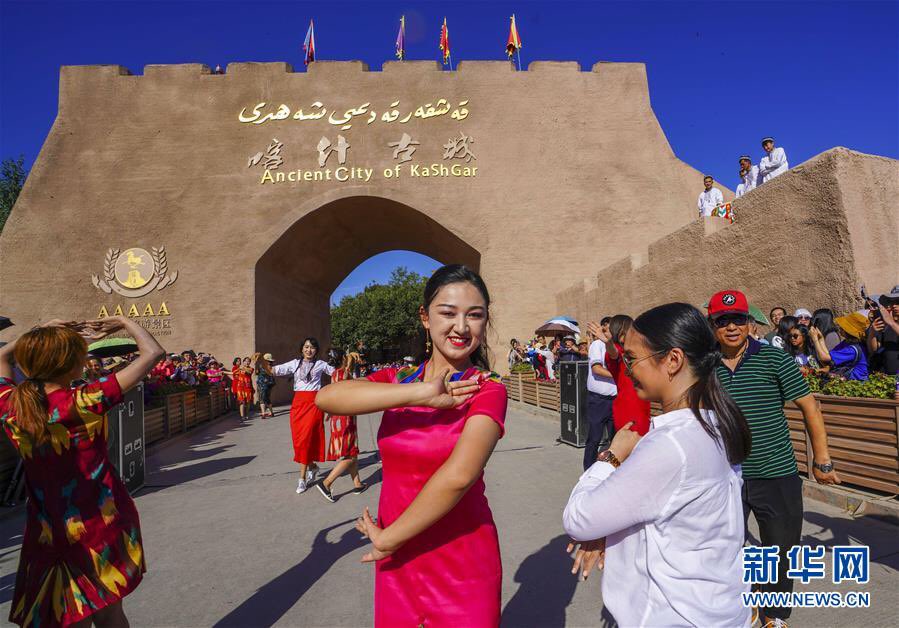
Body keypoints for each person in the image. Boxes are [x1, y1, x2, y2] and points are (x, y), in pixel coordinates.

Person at [316, 264, 507, 628]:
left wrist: (390, 538)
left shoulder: (488, 388)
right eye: (448, 313)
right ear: (425, 317)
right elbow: (327, 398)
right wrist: (422, 393)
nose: (461, 327)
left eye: (474, 315)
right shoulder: (400, 379)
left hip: (460, 560)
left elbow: (460, 475)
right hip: (397, 561)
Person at [563, 303, 751, 627]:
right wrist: (607, 532)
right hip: (717, 610)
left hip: (674, 616)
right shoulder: (715, 426)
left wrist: (613, 456)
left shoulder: (671, 446)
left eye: (632, 358)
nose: (628, 369)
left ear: (673, 360)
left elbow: (579, 519)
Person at [0, 316, 165, 627]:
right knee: (109, 613)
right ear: (70, 365)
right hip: (100, 521)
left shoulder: (11, 404)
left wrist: (40, 332)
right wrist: (122, 320)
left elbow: (1, 357)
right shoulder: (85, 400)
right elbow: (153, 353)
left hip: (47, 528)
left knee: (65, 615)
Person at [706, 289, 839, 627]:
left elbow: (810, 407)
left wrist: (822, 460)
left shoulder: (774, 359)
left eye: (738, 319)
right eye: (723, 320)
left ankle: (774, 615)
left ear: (749, 323)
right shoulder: (704, 367)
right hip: (725, 476)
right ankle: (742, 602)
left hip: (776, 472)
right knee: (723, 549)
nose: (731, 327)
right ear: (713, 325)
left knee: (779, 551)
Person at [273, 338, 335, 493]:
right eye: (306, 347)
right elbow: (274, 370)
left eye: (312, 347)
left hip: (314, 404)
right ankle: (312, 467)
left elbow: (337, 374)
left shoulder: (321, 364)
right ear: (302, 349)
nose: (309, 350)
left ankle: (302, 479)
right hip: (298, 406)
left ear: (316, 350)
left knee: (306, 439)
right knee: (299, 441)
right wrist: (262, 362)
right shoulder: (294, 363)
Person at [316, 351, 368, 502]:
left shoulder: (334, 375)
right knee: (350, 455)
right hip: (346, 418)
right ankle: (326, 483)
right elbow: (350, 387)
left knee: (352, 454)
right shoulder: (343, 373)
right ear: (343, 359)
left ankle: (357, 484)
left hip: (339, 417)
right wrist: (350, 363)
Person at [600, 315, 651, 436]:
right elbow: (613, 353)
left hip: (642, 406)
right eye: (630, 328)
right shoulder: (618, 351)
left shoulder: (635, 349)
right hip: (628, 409)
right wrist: (609, 343)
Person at [583, 317, 617, 471]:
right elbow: (597, 369)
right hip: (598, 401)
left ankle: (613, 470)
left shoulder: (616, 347)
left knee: (615, 440)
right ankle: (588, 471)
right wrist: (619, 375)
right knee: (594, 439)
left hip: (615, 400)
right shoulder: (597, 345)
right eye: (608, 328)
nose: (611, 332)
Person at [810, 312, 869, 381]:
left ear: (848, 331)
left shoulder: (852, 350)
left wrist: (815, 340)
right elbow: (829, 355)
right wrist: (821, 339)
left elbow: (824, 358)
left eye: (842, 327)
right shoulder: (846, 343)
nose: (840, 328)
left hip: (857, 382)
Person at [866, 286, 899, 375]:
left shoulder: (891, 323)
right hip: (888, 378)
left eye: (898, 302)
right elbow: (873, 350)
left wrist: (891, 323)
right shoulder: (888, 325)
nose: (894, 305)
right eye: (892, 302)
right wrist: (872, 333)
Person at [254, 352, 276, 418]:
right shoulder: (271, 365)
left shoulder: (262, 366)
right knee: (268, 398)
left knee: (262, 398)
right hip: (270, 383)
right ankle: (271, 412)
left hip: (262, 384)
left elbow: (257, 372)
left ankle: (263, 413)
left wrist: (256, 363)